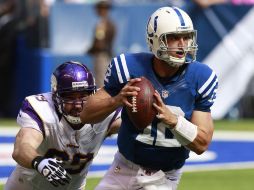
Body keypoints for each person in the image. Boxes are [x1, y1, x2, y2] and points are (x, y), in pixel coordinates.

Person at [81, 6, 218, 190]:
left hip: (164, 176)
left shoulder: (201, 77)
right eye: (174, 37)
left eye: (186, 37)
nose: (182, 44)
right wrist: (116, 100)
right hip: (123, 167)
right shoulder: (128, 68)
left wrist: (174, 122)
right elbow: (85, 114)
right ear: (155, 40)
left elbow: (202, 144)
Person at [5, 61, 121, 190]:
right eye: (70, 97)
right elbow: (21, 148)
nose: (77, 104)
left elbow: (135, 126)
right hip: (27, 187)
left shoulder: (103, 111)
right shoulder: (42, 110)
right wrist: (39, 162)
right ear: (56, 96)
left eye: (83, 96)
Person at [87, 0, 116, 88]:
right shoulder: (110, 23)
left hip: (101, 56)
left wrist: (91, 49)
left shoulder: (102, 24)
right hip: (106, 55)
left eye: (100, 8)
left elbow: (99, 43)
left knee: (100, 83)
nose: (98, 10)